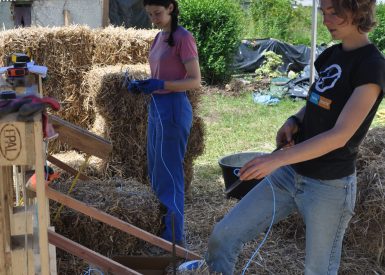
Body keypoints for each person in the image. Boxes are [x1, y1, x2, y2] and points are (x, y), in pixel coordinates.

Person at [181, 0, 385, 273]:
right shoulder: (332, 55)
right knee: (224, 236)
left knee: (318, 270)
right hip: (291, 173)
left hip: (329, 186)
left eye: (334, 12)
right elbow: (316, 102)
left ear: (358, 10)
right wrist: (294, 120)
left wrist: (275, 160)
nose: (326, 20)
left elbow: (340, 135)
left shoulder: (372, 66)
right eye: (323, 12)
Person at [128, 0, 201, 246]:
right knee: (157, 174)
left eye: (158, 13)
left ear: (171, 8)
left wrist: (162, 85)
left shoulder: (183, 37)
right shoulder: (159, 37)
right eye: (149, 14)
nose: (154, 19)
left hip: (174, 107)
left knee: (170, 175)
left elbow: (194, 81)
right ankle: (161, 233)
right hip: (157, 107)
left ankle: (174, 242)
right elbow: (162, 74)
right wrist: (145, 84)